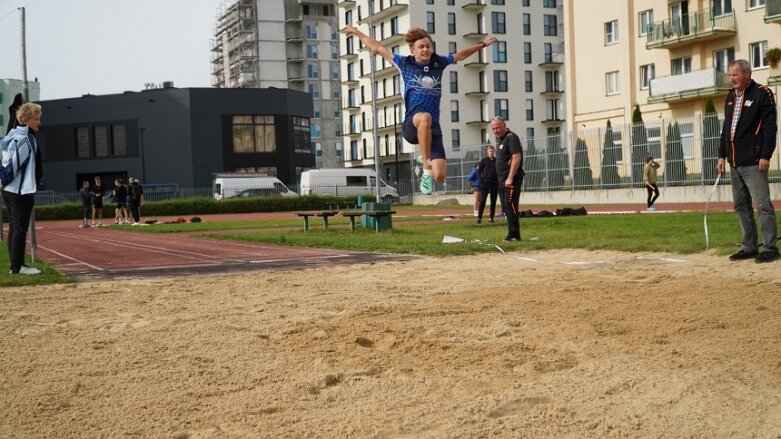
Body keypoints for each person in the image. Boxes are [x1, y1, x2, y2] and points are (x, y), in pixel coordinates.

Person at [341, 25, 496, 194]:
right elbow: (377, 47)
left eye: (428, 46)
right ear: (412, 51)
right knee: (424, 117)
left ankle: (428, 164)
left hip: (433, 128)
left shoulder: (439, 63)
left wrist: (482, 45)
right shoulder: (404, 63)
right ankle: (427, 167)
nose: (425, 49)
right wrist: (357, 32)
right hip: (412, 125)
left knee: (440, 176)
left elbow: (461, 55)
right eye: (421, 47)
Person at [718, 59, 778, 263]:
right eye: (730, 75)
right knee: (741, 205)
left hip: (754, 161)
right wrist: (721, 155)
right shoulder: (730, 97)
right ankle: (749, 246)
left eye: (735, 74)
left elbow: (770, 128)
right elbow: (727, 129)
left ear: (747, 74)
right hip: (734, 163)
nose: (731, 78)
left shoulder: (762, 93)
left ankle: (770, 247)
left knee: (763, 206)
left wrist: (765, 155)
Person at [0, 102, 43, 275]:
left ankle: (16, 266)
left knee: (14, 227)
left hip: (11, 190)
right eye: (36, 119)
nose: (39, 122)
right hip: (20, 191)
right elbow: (15, 163)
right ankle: (17, 267)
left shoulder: (12, 136)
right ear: (26, 120)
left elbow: (5, 161)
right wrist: (3, 179)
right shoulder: (25, 138)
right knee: (19, 228)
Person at [490, 117, 524, 242]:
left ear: (504, 125)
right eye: (493, 128)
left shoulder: (511, 137)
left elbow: (516, 157)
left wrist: (510, 177)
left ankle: (514, 235)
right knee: (505, 207)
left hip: (511, 180)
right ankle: (512, 233)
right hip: (501, 180)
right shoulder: (500, 140)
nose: (496, 130)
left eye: (498, 127)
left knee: (510, 206)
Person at [476, 144, 499, 224]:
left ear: (494, 152)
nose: (491, 153)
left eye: (492, 151)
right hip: (485, 183)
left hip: (495, 183)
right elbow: (478, 171)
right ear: (487, 152)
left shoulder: (497, 161)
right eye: (490, 151)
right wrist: (480, 181)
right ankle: (479, 218)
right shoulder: (484, 160)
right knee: (483, 200)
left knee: (493, 201)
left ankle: (491, 218)